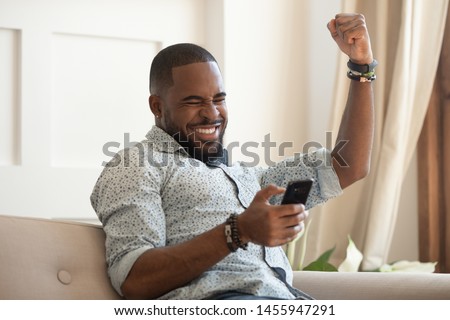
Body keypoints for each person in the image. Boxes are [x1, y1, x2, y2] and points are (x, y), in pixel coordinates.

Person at [90, 13, 375, 300]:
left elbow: (348, 165)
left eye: (219, 99)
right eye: (193, 101)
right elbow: (134, 280)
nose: (212, 113)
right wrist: (238, 231)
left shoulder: (250, 178)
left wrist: (361, 68)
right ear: (157, 106)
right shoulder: (135, 165)